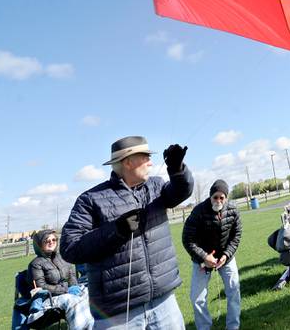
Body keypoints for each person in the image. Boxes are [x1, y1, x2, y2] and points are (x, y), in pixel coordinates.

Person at [60, 136, 194, 329]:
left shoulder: (155, 185)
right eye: (145, 156)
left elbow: (180, 191)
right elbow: (69, 247)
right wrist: (117, 230)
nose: (151, 162)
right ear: (128, 162)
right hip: (118, 314)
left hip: (164, 304)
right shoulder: (90, 199)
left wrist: (177, 169)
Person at [182, 179, 242, 330]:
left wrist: (227, 255)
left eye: (222, 197)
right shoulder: (198, 211)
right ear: (210, 197)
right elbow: (187, 239)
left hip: (225, 259)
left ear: (226, 198)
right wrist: (204, 257)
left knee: (234, 292)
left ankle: (233, 327)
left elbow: (236, 235)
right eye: (215, 197)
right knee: (197, 298)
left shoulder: (234, 210)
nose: (218, 200)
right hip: (202, 259)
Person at [27, 229, 94, 330]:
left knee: (88, 293)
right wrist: (66, 290)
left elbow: (71, 275)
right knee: (72, 300)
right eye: (47, 240)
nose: (51, 242)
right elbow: (41, 286)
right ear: (39, 245)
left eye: (54, 239)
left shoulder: (61, 257)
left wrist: (74, 286)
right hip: (49, 297)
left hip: (66, 292)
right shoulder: (35, 264)